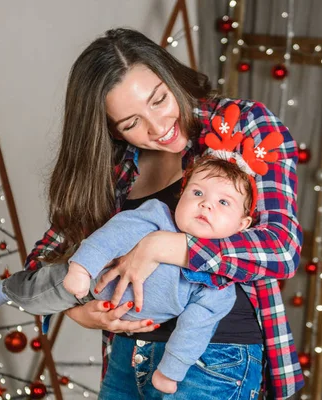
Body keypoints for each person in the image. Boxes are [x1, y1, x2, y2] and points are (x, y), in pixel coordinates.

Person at [20, 28, 304, 399]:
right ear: (111, 129)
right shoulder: (111, 167)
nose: (158, 128)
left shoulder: (244, 124)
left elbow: (281, 249)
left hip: (215, 358)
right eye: (131, 123)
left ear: (170, 77)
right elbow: (39, 266)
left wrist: (163, 246)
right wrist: (77, 309)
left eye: (158, 100)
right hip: (126, 355)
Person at [0, 127, 281, 394]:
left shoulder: (218, 283)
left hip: (142, 332)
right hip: (89, 279)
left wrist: (170, 371)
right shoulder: (156, 215)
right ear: (182, 195)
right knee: (39, 292)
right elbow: (110, 236)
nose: (206, 203)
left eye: (223, 202)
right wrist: (81, 268)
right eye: (198, 192)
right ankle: (7, 290)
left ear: (243, 225)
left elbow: (195, 329)